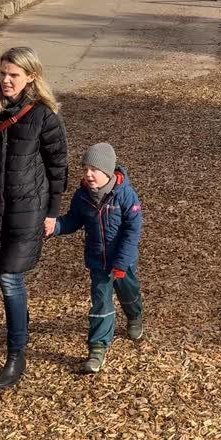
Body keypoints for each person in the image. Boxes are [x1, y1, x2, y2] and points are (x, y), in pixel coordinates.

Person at [0, 46, 68, 389]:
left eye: (13, 75)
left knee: (9, 277)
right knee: (1, 271)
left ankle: (16, 355)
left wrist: (52, 212)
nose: (5, 79)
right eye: (3, 72)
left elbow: (57, 165)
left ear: (31, 77)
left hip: (28, 209)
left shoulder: (44, 115)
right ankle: (19, 339)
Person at [47, 142, 143, 375]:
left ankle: (135, 316)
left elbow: (133, 232)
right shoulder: (82, 196)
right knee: (101, 301)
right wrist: (55, 226)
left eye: (94, 170)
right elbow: (73, 221)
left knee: (127, 291)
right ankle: (98, 347)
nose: (88, 174)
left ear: (108, 172)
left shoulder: (125, 195)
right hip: (98, 261)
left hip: (122, 260)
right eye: (85, 169)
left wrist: (122, 263)